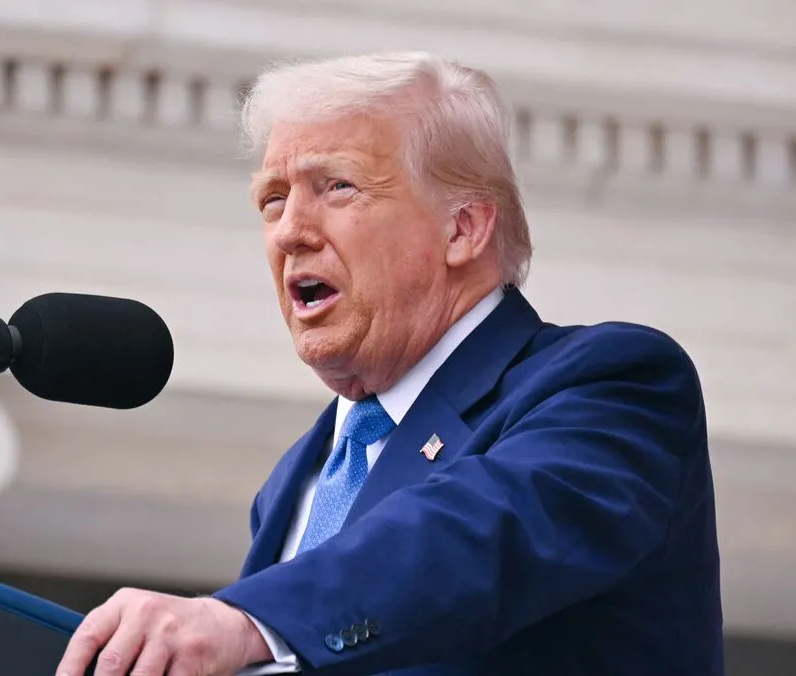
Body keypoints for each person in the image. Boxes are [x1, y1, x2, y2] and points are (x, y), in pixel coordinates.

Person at [55, 52, 724, 676]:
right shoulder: (301, 477)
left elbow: (472, 537)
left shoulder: (613, 383)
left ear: (462, 228)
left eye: (337, 187)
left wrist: (250, 619)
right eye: (273, 199)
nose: (289, 229)